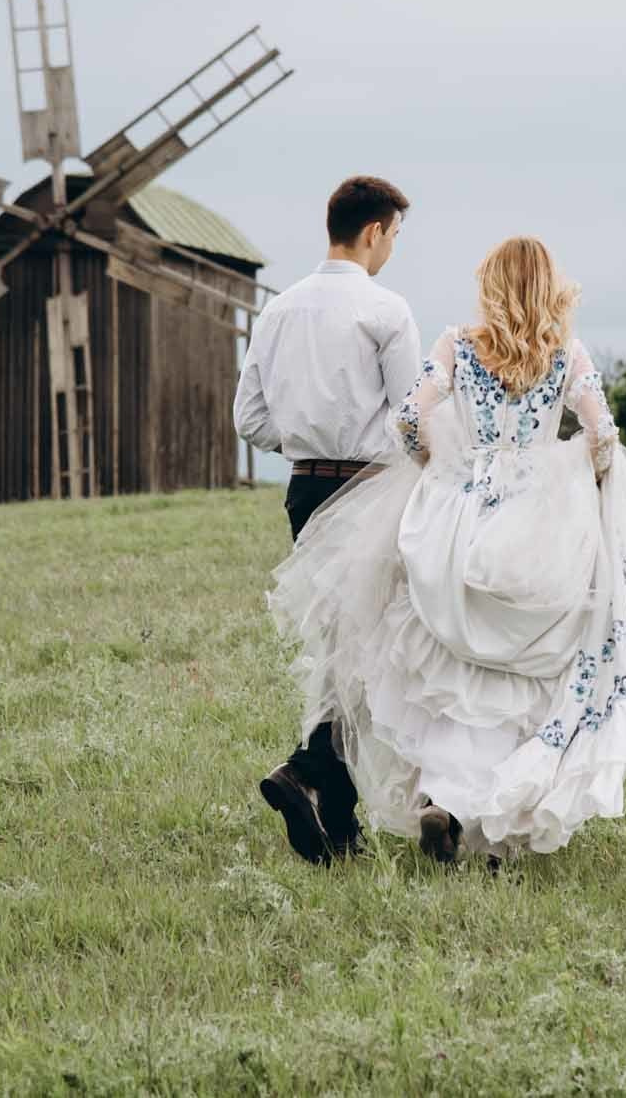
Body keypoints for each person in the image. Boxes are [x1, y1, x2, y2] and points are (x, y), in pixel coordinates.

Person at [268, 236, 626, 864]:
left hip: (461, 514)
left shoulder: (457, 346)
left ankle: (444, 798)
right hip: (540, 523)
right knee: (527, 671)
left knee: (451, 664)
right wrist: (586, 480)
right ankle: (486, 815)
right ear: (550, 289)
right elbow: (602, 432)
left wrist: (437, 465)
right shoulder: (566, 356)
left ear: (490, 287)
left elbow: (409, 419)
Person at [235, 174, 420, 864]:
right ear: (374, 231)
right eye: (394, 235)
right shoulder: (386, 310)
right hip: (369, 491)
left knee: (339, 647)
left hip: (305, 489)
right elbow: (412, 417)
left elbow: (248, 418)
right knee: (372, 651)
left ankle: (338, 826)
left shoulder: (278, 310)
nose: (392, 248)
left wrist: (304, 440)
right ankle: (306, 770)